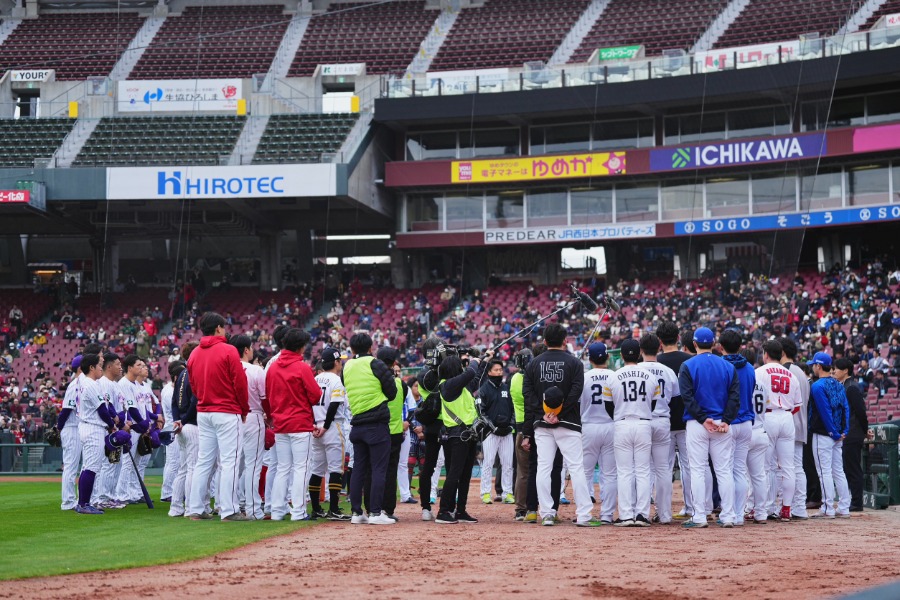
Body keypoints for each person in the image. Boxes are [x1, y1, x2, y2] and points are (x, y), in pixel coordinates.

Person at [523, 323, 599, 527]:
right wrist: (558, 413)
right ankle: (584, 515)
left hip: (542, 423)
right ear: (565, 340)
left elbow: (527, 395)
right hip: (568, 422)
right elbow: (576, 392)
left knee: (544, 468)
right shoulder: (575, 363)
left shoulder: (533, 364)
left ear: (545, 341)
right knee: (576, 468)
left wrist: (545, 413)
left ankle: (547, 513)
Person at [186, 312, 250, 522]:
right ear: (218, 328)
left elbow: (193, 386)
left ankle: (195, 508)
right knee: (229, 461)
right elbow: (240, 384)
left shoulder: (194, 353)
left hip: (204, 412)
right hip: (226, 410)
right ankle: (229, 510)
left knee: (204, 461)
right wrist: (243, 409)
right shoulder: (229, 350)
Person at [678, 327, 740, 529]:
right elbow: (735, 397)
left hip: (698, 424)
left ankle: (699, 516)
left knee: (697, 470)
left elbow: (687, 397)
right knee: (724, 471)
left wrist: (704, 419)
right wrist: (727, 420)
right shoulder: (728, 366)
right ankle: (729, 515)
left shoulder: (687, 365)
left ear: (694, 344)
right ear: (714, 344)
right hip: (721, 423)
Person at [265, 328, 320, 521]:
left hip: (280, 423)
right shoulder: (302, 367)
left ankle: (277, 511)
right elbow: (315, 395)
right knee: (301, 468)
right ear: (301, 347)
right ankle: (298, 511)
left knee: (282, 468)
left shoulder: (272, 367)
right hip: (300, 423)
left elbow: (268, 396)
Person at [602, 339, 658, 527]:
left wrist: (619, 416)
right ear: (640, 353)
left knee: (624, 471)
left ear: (622, 355)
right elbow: (654, 403)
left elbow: (608, 406)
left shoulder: (613, 376)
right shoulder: (650, 375)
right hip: (644, 423)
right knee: (643, 471)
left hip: (622, 423)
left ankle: (626, 515)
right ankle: (642, 515)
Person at [343, 332, 397, 525]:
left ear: (352, 349)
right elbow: (392, 392)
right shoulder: (375, 363)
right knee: (379, 468)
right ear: (370, 348)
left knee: (358, 468)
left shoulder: (347, 366)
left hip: (357, 423)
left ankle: (357, 513)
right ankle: (375, 512)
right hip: (376, 423)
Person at [434, 349, 488, 524]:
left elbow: (476, 375)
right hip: (457, 436)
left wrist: (484, 359)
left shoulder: (460, 386)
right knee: (454, 474)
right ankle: (443, 511)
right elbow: (471, 371)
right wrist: (474, 360)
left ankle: (460, 510)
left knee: (465, 475)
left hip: (468, 435)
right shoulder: (447, 385)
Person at [656, 321, 694, 521]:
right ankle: (692, 508)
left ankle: (663, 512)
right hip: (687, 420)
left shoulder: (655, 362)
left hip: (663, 420)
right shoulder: (689, 360)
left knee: (663, 468)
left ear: (659, 341)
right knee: (690, 467)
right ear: (678, 338)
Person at [640, 333, 679, 525]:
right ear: (659, 347)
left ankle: (640, 512)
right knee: (663, 469)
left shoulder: (636, 368)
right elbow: (675, 397)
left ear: (641, 350)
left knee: (641, 468)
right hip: (663, 419)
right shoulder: (668, 371)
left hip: (643, 420)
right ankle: (664, 514)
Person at [719, 330, 756, 526]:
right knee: (739, 471)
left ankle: (730, 513)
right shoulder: (750, 367)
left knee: (726, 470)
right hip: (747, 422)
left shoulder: (721, 366)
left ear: (721, 346)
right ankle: (739, 515)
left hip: (728, 422)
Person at [808, 352, 851, 519]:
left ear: (818, 366)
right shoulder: (839, 384)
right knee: (838, 471)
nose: (813, 366)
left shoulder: (817, 386)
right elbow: (845, 408)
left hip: (824, 434)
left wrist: (833, 432)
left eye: (814, 364)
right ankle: (844, 507)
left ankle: (828, 508)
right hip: (837, 434)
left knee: (824, 471)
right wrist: (844, 431)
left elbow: (825, 411)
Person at [230, 334, 268, 521]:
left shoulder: (227, 369)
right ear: (246, 350)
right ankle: (253, 509)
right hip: (253, 416)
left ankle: (227, 506)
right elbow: (264, 399)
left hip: (231, 417)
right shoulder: (255, 370)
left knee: (232, 465)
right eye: (251, 347)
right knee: (253, 465)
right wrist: (270, 418)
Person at [311, 347, 351, 521]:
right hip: (332, 426)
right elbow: (334, 405)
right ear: (335, 362)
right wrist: (326, 426)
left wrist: (315, 425)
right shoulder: (336, 380)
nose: (341, 362)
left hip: (316, 427)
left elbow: (309, 404)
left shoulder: (315, 378)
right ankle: (333, 509)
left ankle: (316, 508)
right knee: (335, 469)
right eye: (339, 360)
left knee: (317, 469)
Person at [580, 342, 616, 523]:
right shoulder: (615, 376)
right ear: (608, 357)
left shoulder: (584, 377)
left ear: (590, 358)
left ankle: (584, 514)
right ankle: (607, 515)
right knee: (609, 474)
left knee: (584, 472)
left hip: (588, 426)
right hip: (611, 426)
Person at [74, 354, 113, 514]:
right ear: (91, 367)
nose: (101, 369)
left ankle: (83, 503)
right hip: (92, 427)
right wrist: (112, 425)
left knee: (88, 467)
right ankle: (84, 504)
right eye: (99, 366)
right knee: (91, 467)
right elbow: (102, 410)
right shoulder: (90, 384)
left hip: (88, 425)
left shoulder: (85, 381)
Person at [780, 337, 811, 520]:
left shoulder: (787, 371)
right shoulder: (800, 371)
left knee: (783, 468)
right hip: (800, 424)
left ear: (782, 352)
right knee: (797, 468)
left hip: (788, 423)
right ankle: (800, 506)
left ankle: (786, 505)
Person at [375, 347, 407, 521]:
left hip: (378, 428)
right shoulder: (401, 384)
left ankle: (373, 507)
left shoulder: (374, 381)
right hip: (395, 431)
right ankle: (388, 509)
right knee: (390, 471)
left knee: (374, 470)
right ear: (394, 363)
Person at [169, 341, 199, 518]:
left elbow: (174, 401)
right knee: (193, 468)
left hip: (181, 426)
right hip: (192, 425)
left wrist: (177, 420)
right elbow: (195, 401)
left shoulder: (182, 374)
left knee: (184, 468)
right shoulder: (194, 372)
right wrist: (185, 420)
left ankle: (175, 507)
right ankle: (189, 507)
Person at [833, 358, 868, 512]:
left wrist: (865, 430)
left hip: (853, 433)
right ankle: (853, 500)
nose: (834, 371)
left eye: (837, 369)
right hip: (849, 432)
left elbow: (860, 411)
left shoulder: (851, 387)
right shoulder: (845, 386)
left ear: (845, 370)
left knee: (853, 468)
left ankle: (857, 502)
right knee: (848, 467)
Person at [478, 359, 515, 505]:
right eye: (496, 370)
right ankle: (485, 493)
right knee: (488, 463)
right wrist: (493, 427)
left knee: (508, 464)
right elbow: (481, 412)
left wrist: (510, 425)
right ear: (489, 372)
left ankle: (507, 493)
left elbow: (512, 409)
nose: (499, 372)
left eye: (500, 370)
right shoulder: (484, 390)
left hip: (506, 432)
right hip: (490, 433)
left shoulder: (506, 388)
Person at [93, 352, 126, 510]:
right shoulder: (105, 383)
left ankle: (110, 496)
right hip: (110, 428)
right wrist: (117, 421)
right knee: (109, 463)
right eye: (118, 364)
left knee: (115, 463)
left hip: (117, 426)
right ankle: (103, 497)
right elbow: (109, 407)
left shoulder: (115, 384)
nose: (121, 367)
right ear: (109, 366)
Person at [56, 354, 85, 511]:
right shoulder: (74, 385)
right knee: (71, 466)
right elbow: (66, 410)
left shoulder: (82, 383)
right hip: (71, 428)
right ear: (81, 368)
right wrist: (59, 427)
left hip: (78, 427)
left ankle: (80, 499)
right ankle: (67, 501)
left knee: (79, 466)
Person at [510, 347, 532, 521]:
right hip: (533, 425)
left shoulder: (514, 378)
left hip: (519, 426)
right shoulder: (532, 377)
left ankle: (520, 508)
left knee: (522, 471)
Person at [160, 361, 182, 503]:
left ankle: (172, 491)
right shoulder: (169, 390)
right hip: (171, 428)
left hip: (174, 427)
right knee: (173, 462)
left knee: (176, 462)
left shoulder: (172, 388)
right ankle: (167, 492)